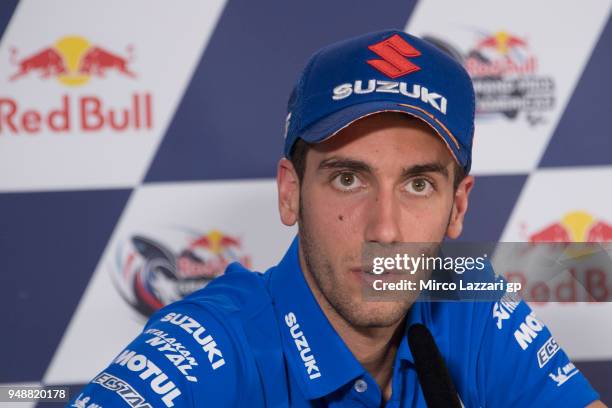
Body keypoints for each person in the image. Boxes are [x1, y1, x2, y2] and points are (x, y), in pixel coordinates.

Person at [69, 29, 604, 407]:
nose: (385, 230)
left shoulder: (464, 298)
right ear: (290, 192)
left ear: (457, 206)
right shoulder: (212, 344)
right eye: (349, 179)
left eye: (418, 185)